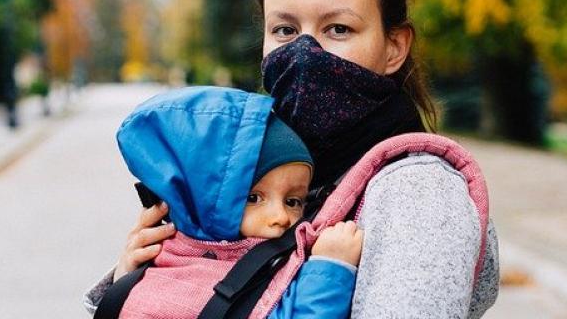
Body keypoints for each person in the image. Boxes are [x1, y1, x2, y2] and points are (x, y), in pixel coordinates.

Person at [87, 0, 499, 318]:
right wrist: (137, 280)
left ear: (394, 47)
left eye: (338, 28)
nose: (305, 53)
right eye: (285, 30)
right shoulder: (261, 166)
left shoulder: (417, 193)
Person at [88, 86, 363, 318]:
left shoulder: (280, 255)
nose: (281, 216)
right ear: (202, 201)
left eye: (293, 201)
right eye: (253, 198)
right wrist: (330, 269)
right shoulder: (168, 284)